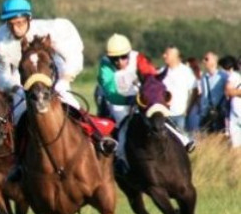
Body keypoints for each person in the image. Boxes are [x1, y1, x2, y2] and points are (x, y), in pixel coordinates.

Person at [0, 0, 117, 180]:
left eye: (19, 22)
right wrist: (16, 89)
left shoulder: (49, 30)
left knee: (70, 102)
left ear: (29, 19)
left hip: (54, 74)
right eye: (11, 24)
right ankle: (19, 162)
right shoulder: (1, 39)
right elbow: (3, 74)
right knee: (18, 115)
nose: (15, 27)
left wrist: (65, 78)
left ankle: (99, 138)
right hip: (24, 83)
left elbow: (72, 56)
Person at [97, 34, 194, 173]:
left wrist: (149, 96)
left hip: (141, 96)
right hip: (118, 101)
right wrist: (128, 100)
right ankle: (121, 158)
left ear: (129, 53)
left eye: (123, 57)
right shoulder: (105, 65)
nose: (119, 62)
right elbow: (110, 90)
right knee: (123, 124)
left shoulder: (138, 58)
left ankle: (183, 139)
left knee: (158, 116)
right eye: (115, 59)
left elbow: (152, 77)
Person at [160, 46, 197, 133]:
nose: (164, 56)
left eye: (167, 54)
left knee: (181, 140)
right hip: (165, 114)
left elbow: (194, 91)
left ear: (174, 56)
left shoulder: (186, 71)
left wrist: (187, 110)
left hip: (180, 114)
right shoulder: (162, 71)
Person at [193, 52, 227, 134]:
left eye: (206, 59)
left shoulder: (223, 76)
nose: (204, 61)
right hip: (206, 113)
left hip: (219, 112)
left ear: (214, 61)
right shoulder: (204, 77)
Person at [223, 56, 241, 147]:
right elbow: (227, 90)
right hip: (234, 116)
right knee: (235, 146)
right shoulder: (235, 75)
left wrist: (235, 92)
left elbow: (231, 91)